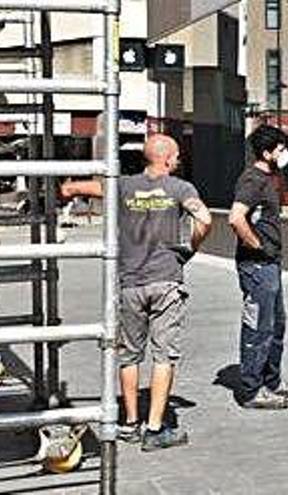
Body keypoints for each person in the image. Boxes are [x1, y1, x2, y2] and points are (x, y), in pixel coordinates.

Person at [60, 134, 212, 451]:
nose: (179, 160)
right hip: (166, 281)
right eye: (177, 155)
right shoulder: (181, 188)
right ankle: (154, 429)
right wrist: (190, 248)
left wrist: (68, 186)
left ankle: (129, 423)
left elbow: (82, 188)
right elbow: (206, 219)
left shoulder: (124, 186)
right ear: (167, 159)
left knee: (128, 355)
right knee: (163, 356)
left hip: (130, 284)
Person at [228, 125, 288, 410]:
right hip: (257, 266)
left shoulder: (268, 179)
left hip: (270, 265)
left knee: (276, 325)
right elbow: (236, 219)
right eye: (280, 149)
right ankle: (250, 390)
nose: (284, 154)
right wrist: (256, 246)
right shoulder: (252, 180)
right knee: (258, 327)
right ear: (266, 153)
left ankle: (272, 381)